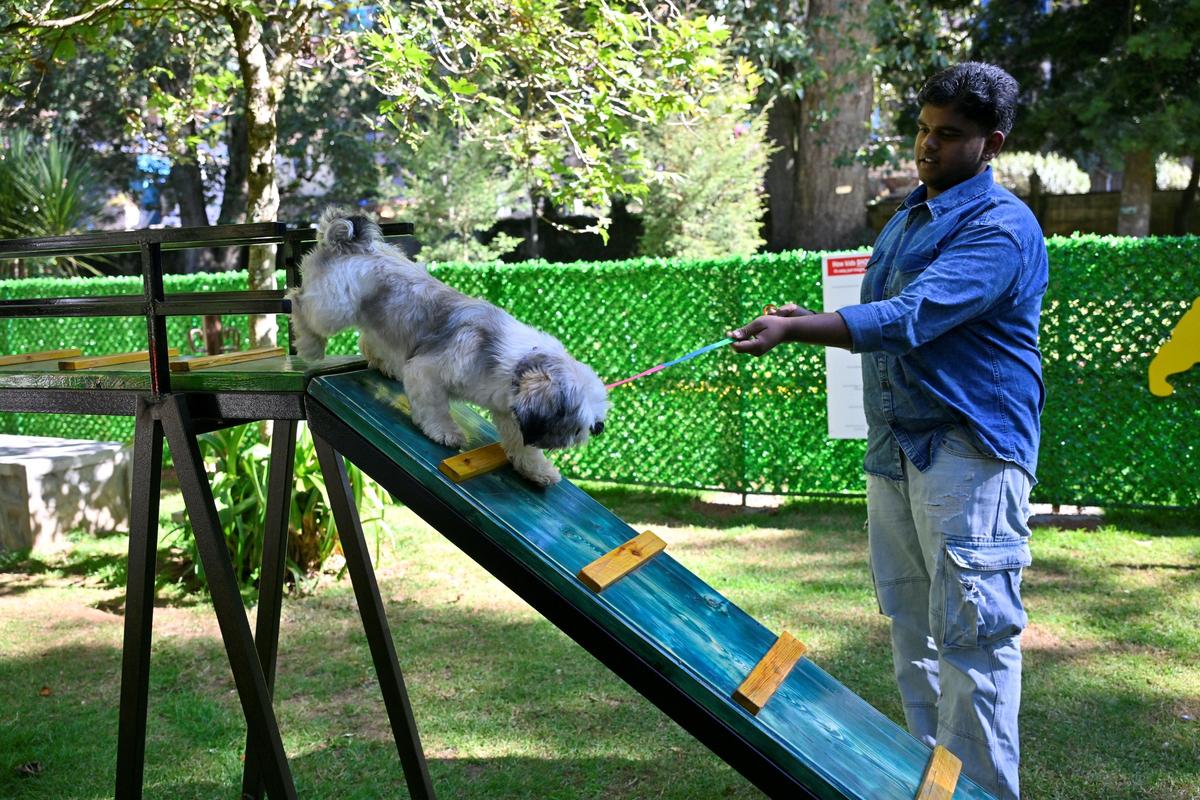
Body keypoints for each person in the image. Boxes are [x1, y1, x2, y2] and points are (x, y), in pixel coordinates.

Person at [729, 62, 1046, 800]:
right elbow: (880, 311)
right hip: (897, 451)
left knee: (973, 640)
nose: (928, 146)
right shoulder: (909, 216)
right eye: (923, 129)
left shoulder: (1001, 227)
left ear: (992, 143)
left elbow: (910, 318)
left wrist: (799, 331)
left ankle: (982, 795)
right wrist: (806, 319)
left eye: (949, 135)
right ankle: (928, 786)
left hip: (970, 451)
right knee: (913, 630)